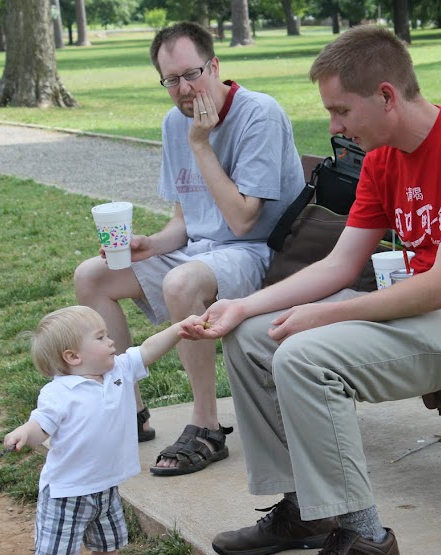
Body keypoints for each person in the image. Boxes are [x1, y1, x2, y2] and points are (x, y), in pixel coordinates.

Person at [179, 25, 441, 555]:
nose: (334, 127)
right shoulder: (381, 160)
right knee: (251, 336)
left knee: (304, 356)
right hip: (428, 312)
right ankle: (307, 509)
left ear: (386, 96)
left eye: (341, 110)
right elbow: (339, 264)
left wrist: (324, 317)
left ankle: (366, 539)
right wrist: (243, 305)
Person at [73, 21, 304, 476]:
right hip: (202, 251)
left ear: (214, 66)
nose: (183, 89)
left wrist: (200, 144)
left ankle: (207, 425)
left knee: (181, 282)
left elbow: (242, 220)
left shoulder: (259, 114)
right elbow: (185, 220)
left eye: (192, 74)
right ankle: (128, 410)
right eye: (171, 79)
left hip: (259, 252)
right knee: (92, 276)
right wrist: (150, 245)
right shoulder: (172, 122)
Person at [4, 305, 182, 555]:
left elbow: (148, 350)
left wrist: (178, 329)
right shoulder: (59, 393)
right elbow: (40, 426)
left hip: (106, 486)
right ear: (73, 356)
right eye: (100, 337)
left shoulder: (119, 371)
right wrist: (24, 433)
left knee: (107, 545)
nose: (111, 342)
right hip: (66, 492)